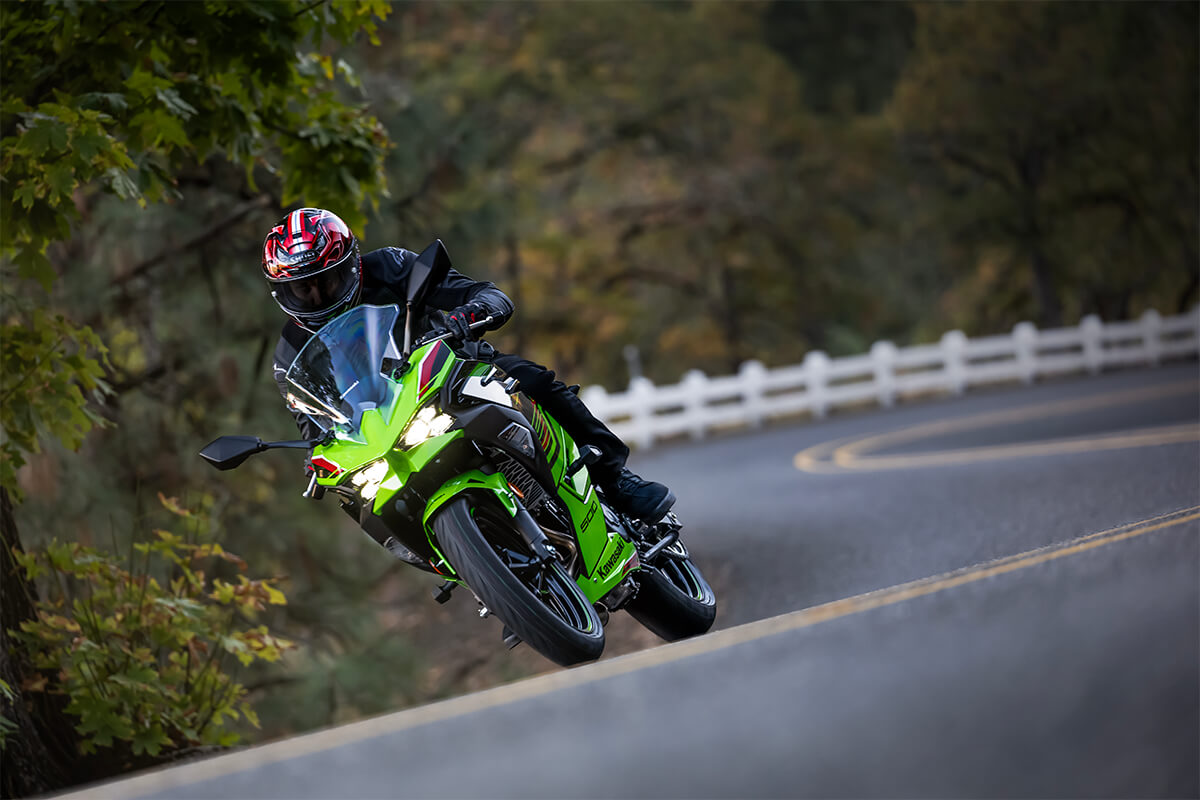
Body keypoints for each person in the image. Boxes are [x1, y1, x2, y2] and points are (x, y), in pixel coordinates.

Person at [263, 207, 675, 523]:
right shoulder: (291, 348)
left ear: (350, 264)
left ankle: (615, 479)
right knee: (360, 498)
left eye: (326, 282)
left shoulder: (389, 267)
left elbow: (484, 293)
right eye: (302, 289)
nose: (316, 296)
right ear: (283, 292)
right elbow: (310, 415)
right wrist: (319, 450)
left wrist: (467, 315)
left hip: (453, 375)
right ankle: (478, 572)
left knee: (531, 380)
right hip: (383, 429)